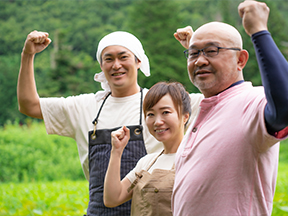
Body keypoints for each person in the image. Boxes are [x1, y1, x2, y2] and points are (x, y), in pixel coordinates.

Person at [17, 30, 203, 215]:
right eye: (109, 59)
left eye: (123, 57)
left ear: (139, 61)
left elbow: (222, 97)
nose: (116, 65)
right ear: (101, 65)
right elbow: (29, 105)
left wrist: (195, 49)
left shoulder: (160, 102)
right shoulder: (83, 106)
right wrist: (28, 55)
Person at [171, 0, 288, 215]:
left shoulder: (252, 103)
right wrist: (203, 49)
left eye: (212, 50)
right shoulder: (201, 108)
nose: (199, 61)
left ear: (241, 60)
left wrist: (259, 32)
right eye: (193, 54)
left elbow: (285, 107)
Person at [103, 81, 191, 216]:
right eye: (150, 114)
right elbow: (112, 198)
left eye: (165, 112)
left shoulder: (193, 159)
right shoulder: (147, 162)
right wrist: (116, 151)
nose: (157, 122)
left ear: (185, 117)